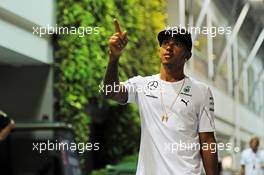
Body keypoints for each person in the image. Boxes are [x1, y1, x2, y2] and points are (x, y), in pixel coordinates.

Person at [104, 19, 218, 175]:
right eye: (165, 43)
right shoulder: (142, 85)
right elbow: (110, 92)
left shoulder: (201, 91)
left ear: (188, 55)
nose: (169, 47)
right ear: (160, 50)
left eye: (177, 43)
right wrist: (114, 57)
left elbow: (207, 141)